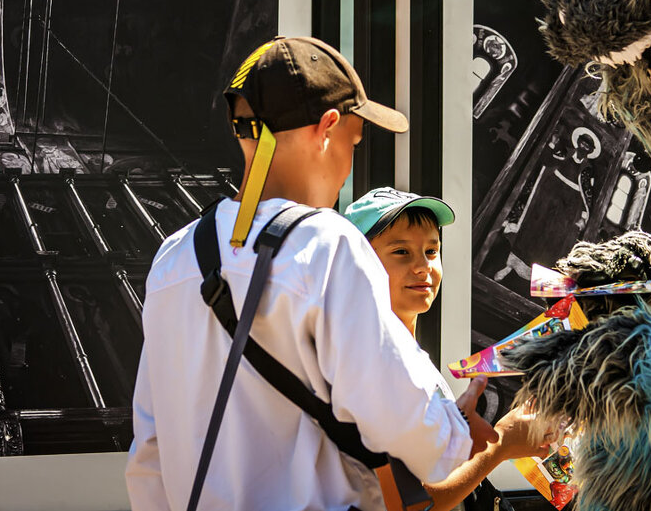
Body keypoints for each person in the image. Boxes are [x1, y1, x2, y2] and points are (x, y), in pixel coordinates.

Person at [126, 36, 496, 511]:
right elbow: (420, 439)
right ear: (327, 128)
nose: (349, 164)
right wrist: (469, 435)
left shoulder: (175, 257)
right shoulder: (327, 245)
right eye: (354, 142)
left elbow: (149, 451)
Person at [345, 187, 553, 511]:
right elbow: (409, 503)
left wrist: (463, 437)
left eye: (431, 251)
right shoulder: (369, 362)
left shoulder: (403, 354)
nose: (423, 266)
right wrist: (501, 444)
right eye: (401, 252)